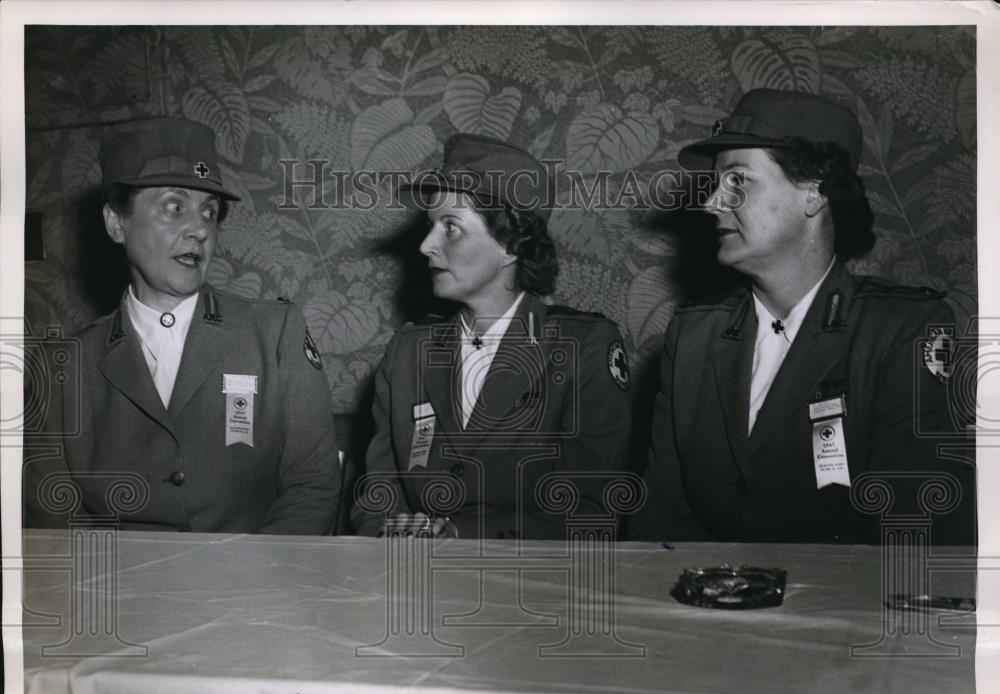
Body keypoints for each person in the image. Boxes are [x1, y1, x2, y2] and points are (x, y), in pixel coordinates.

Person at [632, 89, 974, 544]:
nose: (712, 203)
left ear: (814, 193)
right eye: (716, 185)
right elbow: (661, 525)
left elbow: (913, 532)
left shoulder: (901, 332)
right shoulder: (693, 335)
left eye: (737, 182)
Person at [23, 116, 340, 534]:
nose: (199, 229)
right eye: (175, 207)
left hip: (252, 585)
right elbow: (52, 519)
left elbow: (311, 489)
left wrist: (254, 588)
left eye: (209, 212)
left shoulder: (275, 334)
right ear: (116, 223)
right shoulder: (60, 368)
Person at [352, 134, 632, 539]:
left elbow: (592, 511)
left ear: (511, 243)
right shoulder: (408, 352)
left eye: (451, 228)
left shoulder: (582, 348)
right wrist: (392, 530)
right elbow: (377, 493)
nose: (426, 245)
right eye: (431, 226)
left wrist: (460, 535)